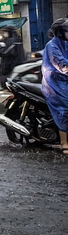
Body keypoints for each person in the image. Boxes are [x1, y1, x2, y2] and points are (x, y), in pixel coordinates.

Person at [42, 18, 68, 154]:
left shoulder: (66, 43)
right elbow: (61, 64)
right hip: (55, 83)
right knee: (65, 108)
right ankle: (64, 143)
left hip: (66, 81)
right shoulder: (52, 46)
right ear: (61, 32)